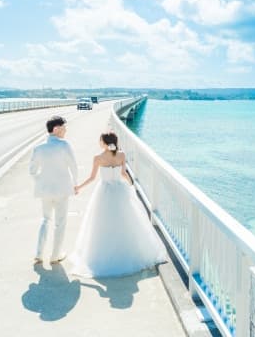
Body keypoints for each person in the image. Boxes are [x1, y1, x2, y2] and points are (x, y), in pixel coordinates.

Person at [70, 132, 166, 278]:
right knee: (125, 221)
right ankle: (126, 251)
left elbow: (92, 178)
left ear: (104, 142)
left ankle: (104, 253)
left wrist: (78, 187)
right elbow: (123, 174)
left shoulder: (98, 158)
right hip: (120, 191)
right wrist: (131, 184)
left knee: (102, 224)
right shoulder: (121, 155)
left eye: (100, 140)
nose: (99, 142)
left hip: (104, 192)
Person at [29, 115, 78, 265]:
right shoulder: (64, 145)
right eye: (64, 127)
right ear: (56, 129)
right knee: (60, 222)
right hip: (62, 189)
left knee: (45, 219)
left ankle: (39, 253)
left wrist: (42, 181)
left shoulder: (38, 148)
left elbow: (32, 171)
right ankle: (55, 256)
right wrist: (75, 184)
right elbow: (73, 167)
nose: (66, 130)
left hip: (45, 190)